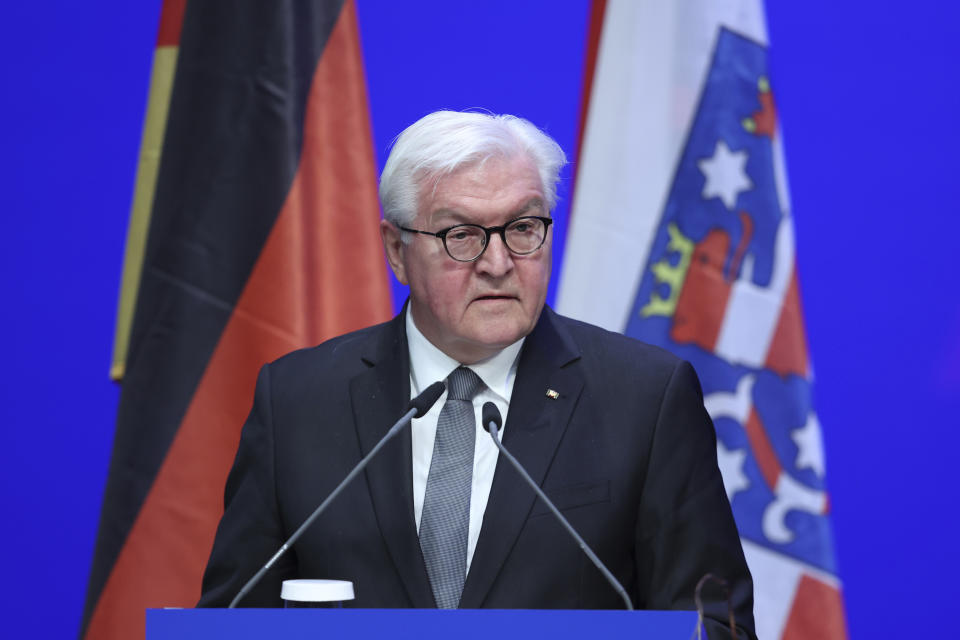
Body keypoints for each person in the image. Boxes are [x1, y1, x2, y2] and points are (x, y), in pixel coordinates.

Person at [199, 111, 756, 638]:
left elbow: (714, 626)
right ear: (397, 251)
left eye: (522, 226)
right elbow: (229, 620)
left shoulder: (646, 400)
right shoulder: (298, 401)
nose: (497, 262)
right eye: (461, 235)